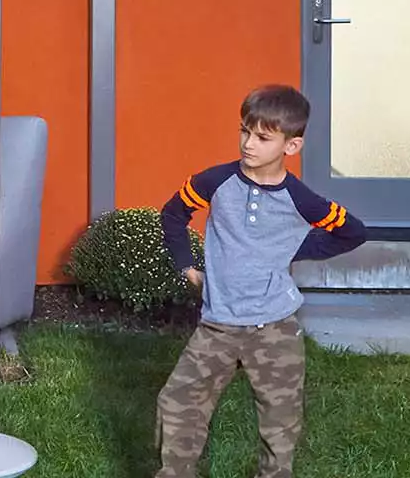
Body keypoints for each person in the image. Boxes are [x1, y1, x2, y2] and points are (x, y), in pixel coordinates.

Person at [154, 83, 368, 478]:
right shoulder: (214, 181)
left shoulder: (302, 200)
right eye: (244, 131)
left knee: (280, 424)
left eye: (263, 137)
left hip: (274, 329)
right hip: (217, 324)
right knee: (178, 403)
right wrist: (188, 268)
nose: (248, 144)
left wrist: (290, 249)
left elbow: (352, 232)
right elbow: (172, 215)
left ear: (291, 146)